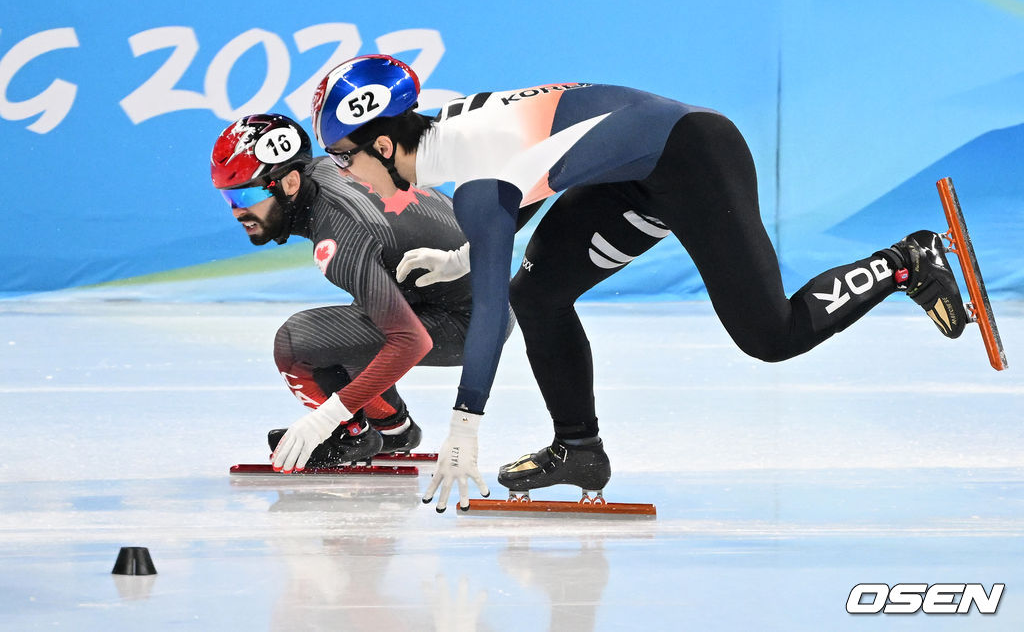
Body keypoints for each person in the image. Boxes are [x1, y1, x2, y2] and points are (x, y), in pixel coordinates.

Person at [308, 54, 968, 511]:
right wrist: (461, 256)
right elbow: (530, 170)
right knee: (536, 293)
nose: (345, 175)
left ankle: (908, 259)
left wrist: (465, 425)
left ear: (384, 145)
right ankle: (579, 448)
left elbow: (487, 299)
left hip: (695, 157)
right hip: (630, 171)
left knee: (772, 335)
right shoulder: (451, 130)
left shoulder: (475, 179)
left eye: (343, 157)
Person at [210, 112, 511, 473]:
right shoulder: (330, 169)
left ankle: (348, 434)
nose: (237, 211)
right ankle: (393, 429)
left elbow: (410, 341)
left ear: (290, 182)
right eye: (228, 197)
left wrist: (325, 417)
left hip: (470, 324)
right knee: (354, 322)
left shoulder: (338, 236)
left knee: (297, 341)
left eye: (245, 194)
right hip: (472, 299)